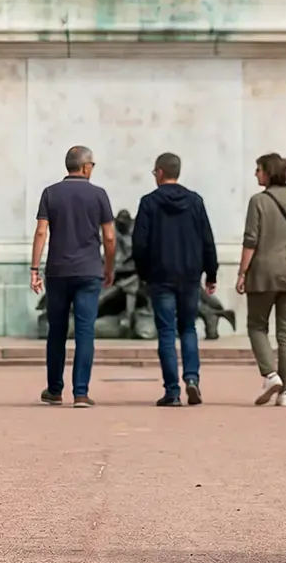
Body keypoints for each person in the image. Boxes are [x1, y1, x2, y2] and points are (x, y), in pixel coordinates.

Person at [31, 145, 116, 407]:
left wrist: (34, 269)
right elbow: (110, 236)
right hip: (89, 270)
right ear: (86, 166)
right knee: (84, 331)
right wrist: (109, 267)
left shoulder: (50, 193)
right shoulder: (99, 195)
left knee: (56, 330)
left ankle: (55, 389)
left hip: (58, 270)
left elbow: (41, 232)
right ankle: (81, 392)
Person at [132, 152, 218, 407]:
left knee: (167, 333)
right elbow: (207, 240)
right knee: (189, 328)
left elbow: (139, 244)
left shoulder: (148, 202)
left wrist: (144, 273)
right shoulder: (195, 201)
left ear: (159, 172)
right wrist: (210, 273)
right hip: (190, 276)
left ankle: (172, 391)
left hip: (160, 277)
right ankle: (192, 379)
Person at [240, 152, 286, 408]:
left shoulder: (258, 201)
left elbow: (251, 240)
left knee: (257, 326)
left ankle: (271, 375)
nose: (255, 174)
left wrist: (241, 272)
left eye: (258, 169)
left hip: (263, 273)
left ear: (268, 173)